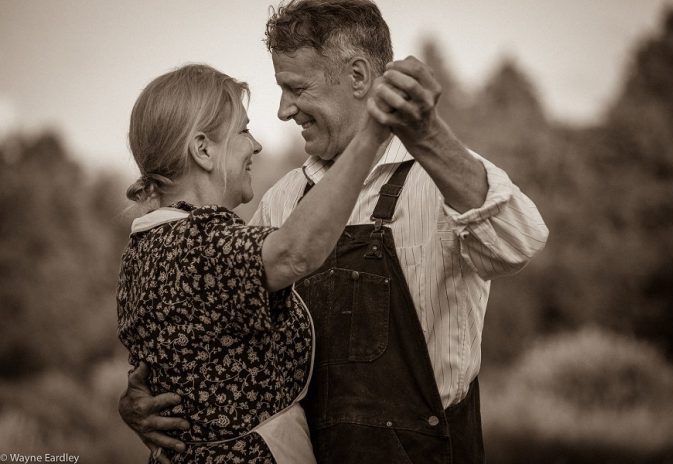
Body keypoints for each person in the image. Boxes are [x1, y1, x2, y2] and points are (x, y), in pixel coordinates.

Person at [119, 1, 549, 463]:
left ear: (359, 77)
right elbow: (221, 336)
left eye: (296, 88)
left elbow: (518, 243)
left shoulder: (442, 177)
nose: (284, 111)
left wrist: (426, 136)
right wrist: (159, 392)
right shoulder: (281, 202)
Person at [117, 63, 389, 463]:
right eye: (243, 131)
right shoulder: (199, 238)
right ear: (203, 149)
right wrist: (373, 135)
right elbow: (293, 253)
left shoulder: (145, 245)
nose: (255, 146)